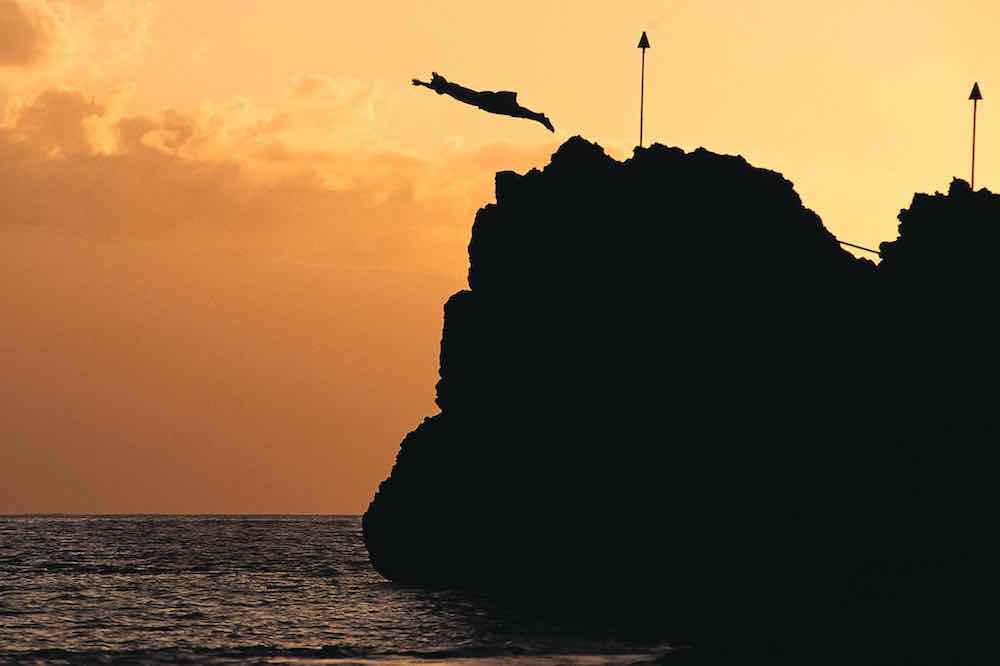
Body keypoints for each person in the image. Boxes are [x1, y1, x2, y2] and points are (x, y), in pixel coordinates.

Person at [412, 72, 555, 132]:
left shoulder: (449, 88)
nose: (438, 92)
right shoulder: (448, 87)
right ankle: (539, 117)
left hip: (486, 101)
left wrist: (423, 84)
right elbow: (435, 87)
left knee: (515, 111)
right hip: (484, 101)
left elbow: (436, 87)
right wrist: (422, 83)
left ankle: (539, 118)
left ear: (441, 86)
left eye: (438, 89)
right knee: (515, 111)